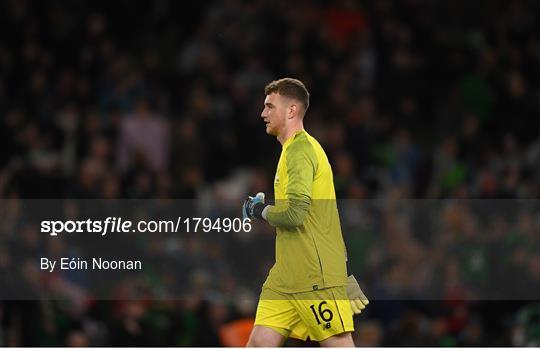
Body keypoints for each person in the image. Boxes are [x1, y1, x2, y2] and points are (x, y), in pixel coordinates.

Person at [242, 78, 368, 347]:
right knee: (258, 344)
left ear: (291, 110)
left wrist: (259, 210)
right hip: (286, 276)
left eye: (269, 106)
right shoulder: (291, 150)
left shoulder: (301, 150)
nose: (263, 113)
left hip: (314, 277)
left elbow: (296, 215)